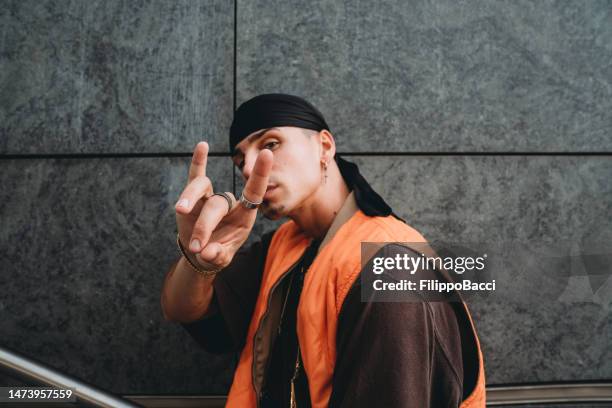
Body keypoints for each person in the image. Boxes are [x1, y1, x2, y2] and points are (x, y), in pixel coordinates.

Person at [160, 94, 486, 407]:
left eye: (270, 143)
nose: (248, 168)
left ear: (324, 146)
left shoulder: (391, 267)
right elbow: (183, 309)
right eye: (240, 159)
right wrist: (197, 256)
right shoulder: (283, 244)